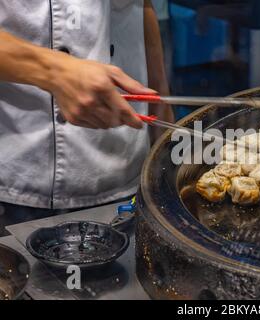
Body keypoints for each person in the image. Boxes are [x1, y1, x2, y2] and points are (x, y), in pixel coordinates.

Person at [0, 1, 174, 232]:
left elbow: (139, 7)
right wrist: (54, 70)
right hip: (17, 168)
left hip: (124, 165)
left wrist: (160, 102)